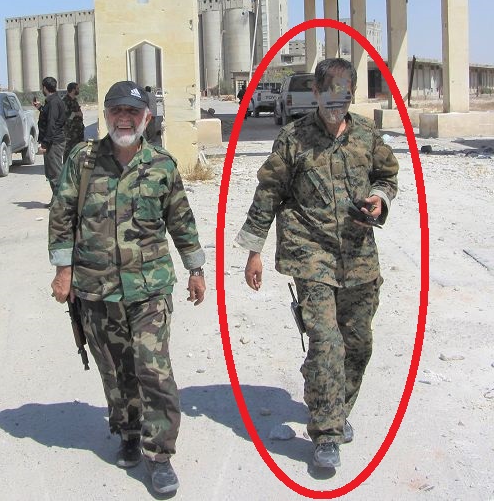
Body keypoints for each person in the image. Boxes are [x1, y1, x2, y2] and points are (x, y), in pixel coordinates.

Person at [236, 58, 399, 469]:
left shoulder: (367, 134)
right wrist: (254, 250)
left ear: (352, 95)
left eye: (343, 94)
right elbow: (268, 193)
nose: (335, 101)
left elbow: (387, 176)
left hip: (358, 254)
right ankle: (326, 433)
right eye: (328, 92)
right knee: (326, 340)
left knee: (358, 342)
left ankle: (336, 408)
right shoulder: (294, 138)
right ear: (316, 93)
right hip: (309, 251)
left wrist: (379, 200)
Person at [48, 81, 206, 495]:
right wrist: (63, 271)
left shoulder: (162, 165)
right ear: (106, 115)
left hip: (149, 288)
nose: (124, 118)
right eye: (116, 110)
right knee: (115, 371)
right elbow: (62, 214)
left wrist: (195, 268)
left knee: (154, 370)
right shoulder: (83, 160)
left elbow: (181, 220)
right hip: (95, 288)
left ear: (146, 118)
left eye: (132, 112)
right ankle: (129, 431)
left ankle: (160, 455)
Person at [37, 76, 67, 198]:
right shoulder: (54, 101)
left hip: (54, 143)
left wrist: (45, 143)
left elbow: (51, 124)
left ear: (45, 88)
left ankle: (61, 202)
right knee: (51, 173)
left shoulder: (54, 102)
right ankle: (56, 200)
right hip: (53, 141)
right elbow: (51, 117)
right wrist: (40, 108)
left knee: (55, 174)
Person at [62, 81, 85, 158]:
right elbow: (67, 117)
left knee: (79, 152)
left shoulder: (74, 100)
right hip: (70, 132)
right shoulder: (65, 101)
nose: (78, 90)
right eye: (77, 88)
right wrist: (76, 114)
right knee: (69, 152)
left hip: (78, 131)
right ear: (73, 90)